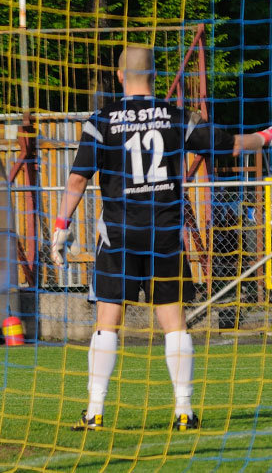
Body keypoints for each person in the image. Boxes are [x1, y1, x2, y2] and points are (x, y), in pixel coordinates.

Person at [51, 46, 262, 432]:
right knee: (174, 322)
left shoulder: (101, 122)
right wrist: (265, 136)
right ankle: (183, 410)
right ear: (155, 76)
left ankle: (95, 411)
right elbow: (229, 144)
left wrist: (62, 225)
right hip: (163, 234)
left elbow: (78, 178)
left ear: (118, 76)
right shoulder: (176, 118)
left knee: (107, 322)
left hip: (118, 236)